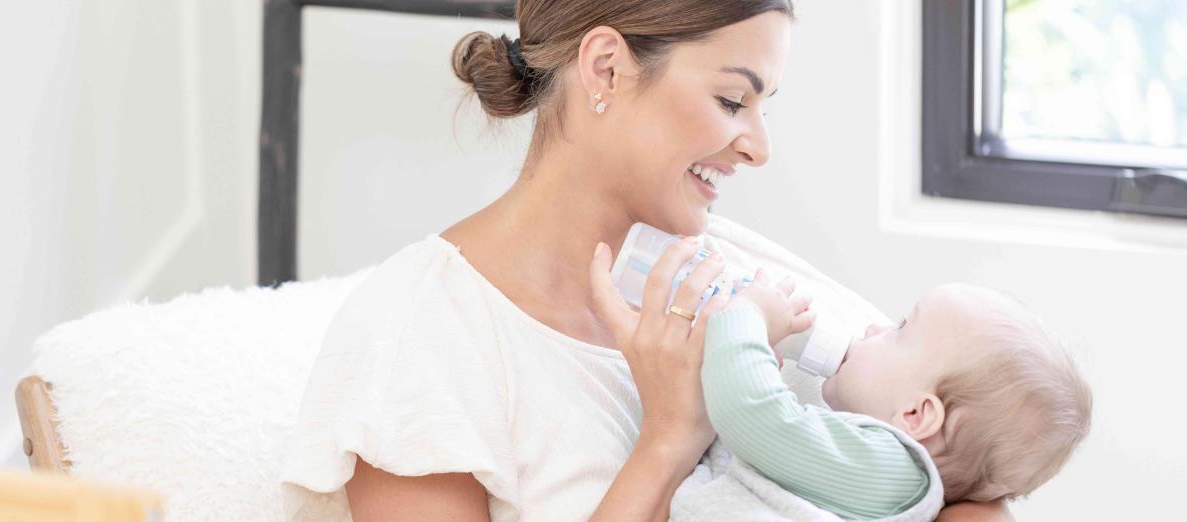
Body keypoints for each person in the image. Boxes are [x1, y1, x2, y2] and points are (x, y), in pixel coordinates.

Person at [279, 1, 1015, 519]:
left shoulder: (735, 272)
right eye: (733, 100)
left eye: (764, 107)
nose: (758, 145)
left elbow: (961, 474)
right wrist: (669, 438)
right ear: (604, 68)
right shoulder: (421, 335)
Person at [668, 270, 1092, 520]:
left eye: (901, 330)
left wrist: (747, 316)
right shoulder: (872, 471)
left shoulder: (893, 468)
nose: (872, 329)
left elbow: (755, 415)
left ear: (915, 415)